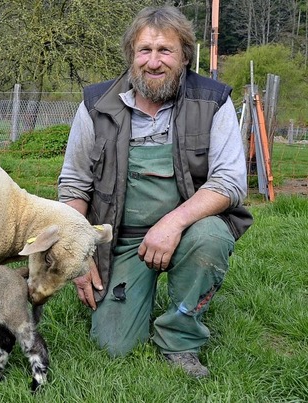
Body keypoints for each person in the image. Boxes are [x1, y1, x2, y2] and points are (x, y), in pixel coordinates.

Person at [58, 6, 253, 378]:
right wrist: (78, 252)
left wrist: (174, 222)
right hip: (122, 239)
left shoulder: (213, 101)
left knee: (209, 237)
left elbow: (229, 182)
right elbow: (74, 183)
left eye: (165, 50)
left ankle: (180, 338)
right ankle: (132, 295)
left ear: (184, 57)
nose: (154, 61)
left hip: (189, 231)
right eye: (144, 50)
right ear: (131, 55)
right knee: (112, 346)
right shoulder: (96, 105)